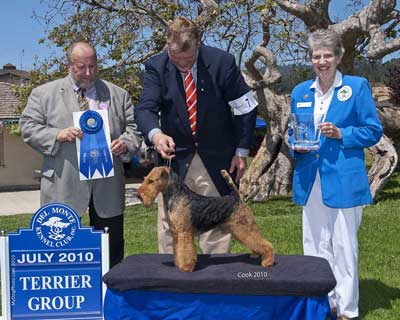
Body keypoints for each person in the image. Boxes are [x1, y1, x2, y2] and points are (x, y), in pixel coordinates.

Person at [135, 17, 257, 254]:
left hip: (216, 156)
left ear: (199, 45)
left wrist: (241, 151)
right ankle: (171, 283)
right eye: (175, 58)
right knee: (171, 224)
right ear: (167, 46)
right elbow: (145, 108)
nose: (181, 64)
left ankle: (216, 283)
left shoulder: (223, 62)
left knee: (216, 227)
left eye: (188, 59)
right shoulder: (155, 66)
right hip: (174, 161)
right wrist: (156, 135)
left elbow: (246, 108)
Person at [20, 41, 142, 267]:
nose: (88, 72)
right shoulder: (42, 94)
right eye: (82, 67)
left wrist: (125, 144)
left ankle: (111, 297)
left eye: (93, 66)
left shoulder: (118, 94)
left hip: (107, 187)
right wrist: (57, 135)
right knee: (61, 253)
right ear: (69, 66)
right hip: (63, 184)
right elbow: (27, 127)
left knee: (112, 252)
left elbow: (135, 129)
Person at [289, 29, 383, 320]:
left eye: (327, 55)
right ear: (311, 59)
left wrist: (343, 133)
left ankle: (347, 309)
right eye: (316, 56)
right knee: (314, 244)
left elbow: (373, 129)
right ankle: (321, 303)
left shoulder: (356, 87)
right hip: (309, 177)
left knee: (343, 244)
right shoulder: (300, 91)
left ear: (339, 57)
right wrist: (296, 145)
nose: (322, 61)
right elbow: (294, 132)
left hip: (343, 178)